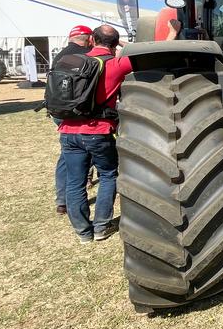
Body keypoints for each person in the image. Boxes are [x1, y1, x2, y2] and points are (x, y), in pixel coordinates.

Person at [58, 21, 180, 244]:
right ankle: (101, 227)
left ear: (92, 40)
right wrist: (172, 33)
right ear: (115, 44)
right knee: (108, 175)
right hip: (98, 131)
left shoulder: (71, 62)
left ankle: (83, 232)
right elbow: (154, 54)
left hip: (67, 130)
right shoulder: (115, 64)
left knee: (75, 182)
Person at [50, 25, 94, 215]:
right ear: (88, 37)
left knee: (66, 154)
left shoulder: (60, 55)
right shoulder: (88, 54)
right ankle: (79, 190)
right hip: (80, 111)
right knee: (87, 150)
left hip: (58, 111)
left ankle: (62, 201)